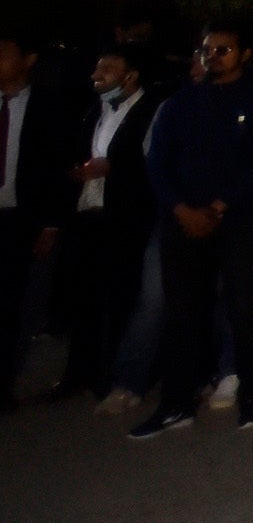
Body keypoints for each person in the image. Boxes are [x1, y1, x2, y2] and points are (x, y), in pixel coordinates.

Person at [135, 21, 253, 438]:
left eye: (224, 50)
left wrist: (222, 205)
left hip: (241, 221)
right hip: (185, 221)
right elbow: (158, 160)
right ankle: (176, 403)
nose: (213, 57)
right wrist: (180, 207)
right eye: (207, 50)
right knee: (181, 313)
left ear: (244, 54)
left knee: (246, 308)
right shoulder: (181, 101)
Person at [53, 44, 159, 403]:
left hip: (126, 220)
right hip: (89, 214)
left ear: (131, 76)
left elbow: (153, 166)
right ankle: (78, 374)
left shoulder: (149, 111)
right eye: (98, 69)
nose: (97, 76)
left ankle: (112, 375)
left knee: (119, 298)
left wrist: (114, 169)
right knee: (84, 298)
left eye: (108, 69)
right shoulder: (94, 110)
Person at [0, 21, 78, 408]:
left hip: (21, 215)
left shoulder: (48, 106)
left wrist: (51, 222)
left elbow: (58, 167)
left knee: (13, 302)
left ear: (28, 60)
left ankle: (5, 380)